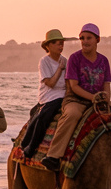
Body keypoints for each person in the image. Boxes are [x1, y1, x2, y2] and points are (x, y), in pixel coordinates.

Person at [42, 23, 111, 173]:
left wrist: (105, 100)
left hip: (98, 100)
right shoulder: (75, 58)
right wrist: (93, 98)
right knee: (72, 115)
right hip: (76, 99)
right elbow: (74, 86)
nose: (85, 41)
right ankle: (53, 155)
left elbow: (106, 85)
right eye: (82, 38)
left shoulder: (104, 61)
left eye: (88, 38)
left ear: (97, 40)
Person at [19, 29, 75, 159]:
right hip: (49, 95)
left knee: (47, 113)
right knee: (41, 116)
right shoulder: (44, 61)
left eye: (62, 43)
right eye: (57, 43)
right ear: (48, 46)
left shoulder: (65, 60)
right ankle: (29, 147)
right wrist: (60, 69)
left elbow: (68, 82)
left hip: (62, 95)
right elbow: (50, 83)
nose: (61, 46)